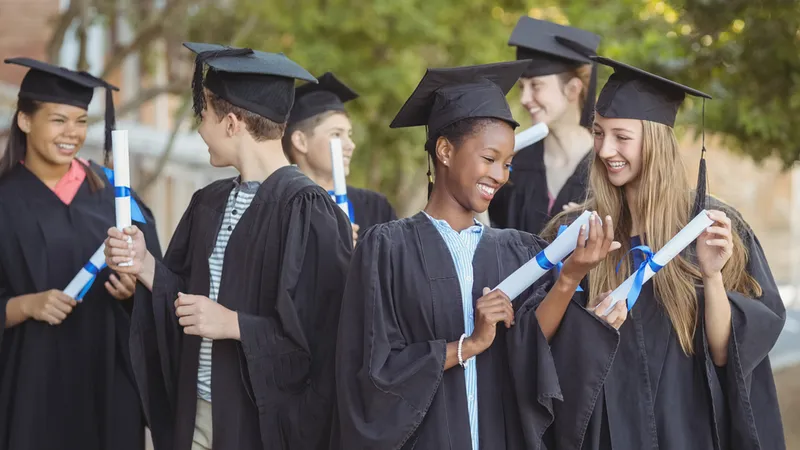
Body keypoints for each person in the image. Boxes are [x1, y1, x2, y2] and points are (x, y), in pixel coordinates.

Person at [332, 61, 624, 450]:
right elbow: (370, 372)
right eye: (489, 159)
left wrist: (570, 278)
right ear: (445, 150)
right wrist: (467, 345)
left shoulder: (518, 249)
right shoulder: (386, 249)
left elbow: (534, 347)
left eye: (507, 164)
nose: (501, 175)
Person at [103, 43, 353, 450]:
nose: (201, 129)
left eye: (205, 116)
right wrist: (147, 266)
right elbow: (183, 295)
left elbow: (326, 335)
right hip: (198, 412)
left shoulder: (308, 210)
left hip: (261, 424)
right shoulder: (211, 200)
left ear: (233, 123)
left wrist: (234, 324)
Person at [543, 56, 786, 449]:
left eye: (621, 137)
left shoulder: (713, 227)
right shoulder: (577, 233)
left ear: (655, 141)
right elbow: (545, 352)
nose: (605, 150)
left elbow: (727, 356)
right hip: (609, 435)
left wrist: (711, 276)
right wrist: (589, 326)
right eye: (599, 133)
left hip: (690, 431)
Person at [0, 57, 161, 450]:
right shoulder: (4, 199)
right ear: (24, 120)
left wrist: (134, 291)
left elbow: (162, 279)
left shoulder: (115, 196)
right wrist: (25, 306)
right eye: (58, 120)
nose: (72, 133)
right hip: (31, 387)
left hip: (109, 382)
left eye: (81, 121)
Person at [489, 17, 600, 234]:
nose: (525, 98)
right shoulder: (514, 167)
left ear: (573, 89)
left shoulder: (604, 170)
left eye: (536, 86)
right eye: (522, 87)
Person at [283, 72, 397, 243]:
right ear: (301, 141)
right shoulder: (281, 208)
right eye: (336, 134)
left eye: (349, 134)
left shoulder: (375, 207)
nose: (350, 145)